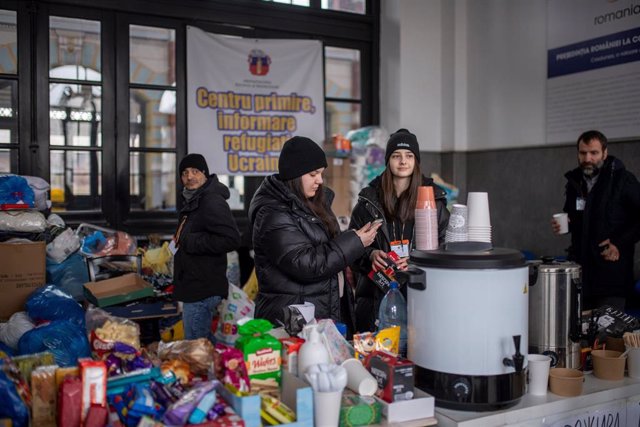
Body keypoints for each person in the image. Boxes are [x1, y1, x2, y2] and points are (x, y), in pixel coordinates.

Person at [249, 136, 381, 328]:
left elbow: (328, 248)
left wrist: (361, 244)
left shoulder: (314, 202)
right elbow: (306, 264)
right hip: (293, 319)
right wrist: (354, 241)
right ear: (295, 175)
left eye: (320, 173)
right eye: (313, 174)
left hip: (321, 310)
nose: (319, 180)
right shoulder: (273, 214)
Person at [349, 128, 450, 332]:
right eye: (396, 156)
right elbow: (350, 249)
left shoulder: (433, 201)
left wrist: (416, 260)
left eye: (409, 156)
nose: (403, 161)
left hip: (421, 295)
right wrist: (371, 254)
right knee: (379, 358)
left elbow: (447, 247)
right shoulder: (368, 202)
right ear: (388, 160)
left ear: (416, 161)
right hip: (376, 298)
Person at [552, 130, 640, 310]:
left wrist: (619, 242)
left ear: (605, 153)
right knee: (582, 334)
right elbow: (575, 215)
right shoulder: (575, 181)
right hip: (581, 276)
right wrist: (567, 223)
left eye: (594, 153)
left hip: (611, 277)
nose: (588, 158)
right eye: (583, 153)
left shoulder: (623, 180)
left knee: (607, 335)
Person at [173, 153, 241, 340]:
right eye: (185, 173)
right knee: (202, 344)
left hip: (202, 288)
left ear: (205, 174)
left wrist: (192, 241)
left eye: (195, 171)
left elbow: (232, 239)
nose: (190, 176)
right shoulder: (193, 200)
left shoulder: (211, 200)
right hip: (195, 285)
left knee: (196, 347)